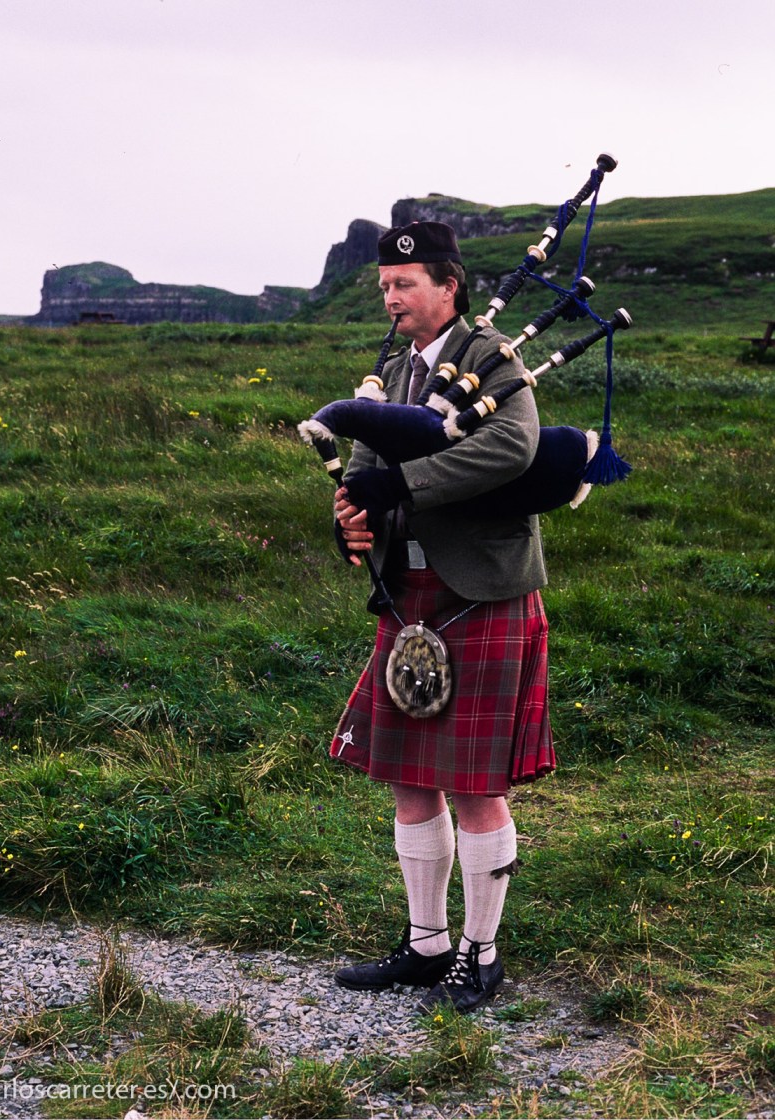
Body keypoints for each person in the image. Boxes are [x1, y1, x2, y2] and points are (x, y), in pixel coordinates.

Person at [330, 220, 555, 1014]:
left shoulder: (493, 356)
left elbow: (513, 449)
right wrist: (353, 511)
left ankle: (480, 954)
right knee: (408, 780)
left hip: (483, 588)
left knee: (475, 786)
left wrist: (409, 484)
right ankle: (427, 945)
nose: (392, 298)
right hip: (411, 593)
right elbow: (362, 452)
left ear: (447, 286)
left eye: (406, 285)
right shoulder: (394, 366)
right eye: (386, 287)